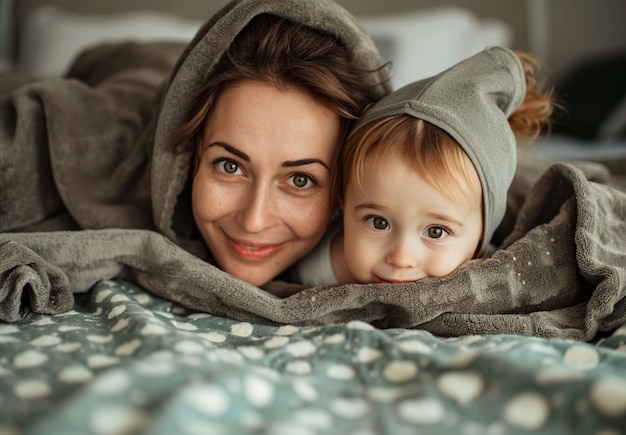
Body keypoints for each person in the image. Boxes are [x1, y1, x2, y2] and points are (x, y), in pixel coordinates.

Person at [0, 0, 390, 288]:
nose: (254, 221)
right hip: (130, 72)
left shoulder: (387, 219)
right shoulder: (48, 144)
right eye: (230, 166)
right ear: (190, 155)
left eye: (301, 180)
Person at [291, 46, 554, 286]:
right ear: (342, 203)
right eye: (378, 222)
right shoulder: (312, 266)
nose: (401, 257)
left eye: (436, 231)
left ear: (482, 235)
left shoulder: (489, 278)